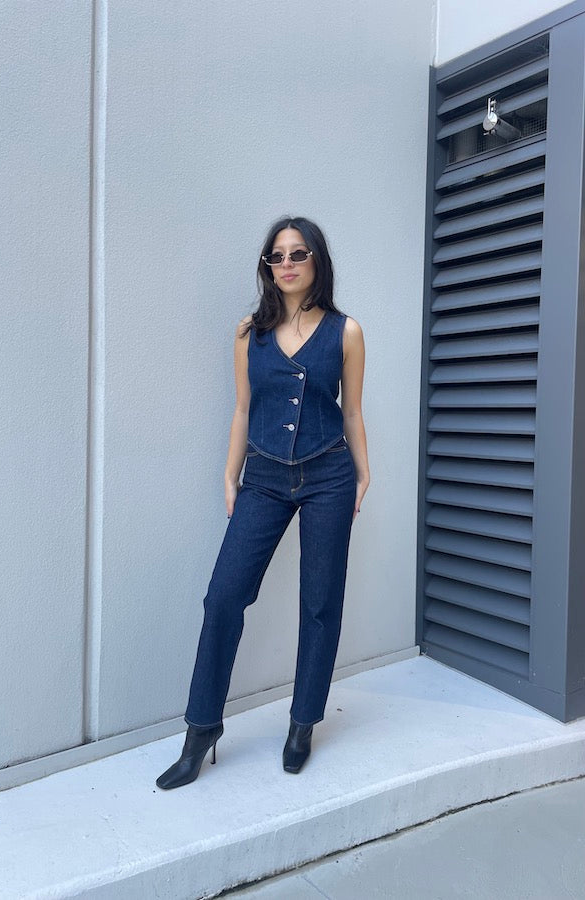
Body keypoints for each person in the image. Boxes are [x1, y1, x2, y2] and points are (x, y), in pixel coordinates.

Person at [156, 216, 370, 789]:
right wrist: (231, 477)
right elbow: (243, 409)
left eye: (298, 253)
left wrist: (363, 472)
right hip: (265, 477)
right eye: (277, 256)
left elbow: (351, 411)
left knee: (320, 601)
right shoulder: (248, 333)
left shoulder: (346, 332)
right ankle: (201, 730)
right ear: (268, 267)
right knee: (224, 596)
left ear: (317, 260)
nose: (288, 264)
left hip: (329, 474)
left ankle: (303, 723)